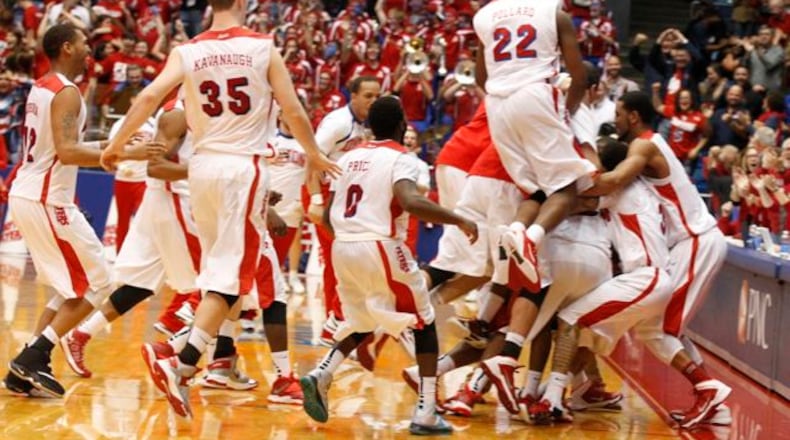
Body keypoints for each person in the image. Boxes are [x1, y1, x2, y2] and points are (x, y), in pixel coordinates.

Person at [101, 0, 339, 419]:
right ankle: (178, 360)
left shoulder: (188, 50)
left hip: (201, 170)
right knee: (231, 277)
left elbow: (150, 95)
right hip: (241, 167)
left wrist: (116, 147)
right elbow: (294, 110)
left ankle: (189, 357)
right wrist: (315, 155)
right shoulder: (263, 47)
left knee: (218, 274)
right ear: (244, 3)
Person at [299, 96, 478, 435]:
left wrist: (349, 240)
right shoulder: (403, 158)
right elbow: (411, 201)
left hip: (342, 245)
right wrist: (458, 219)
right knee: (424, 321)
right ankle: (426, 411)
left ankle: (322, 372)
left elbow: (329, 212)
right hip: (379, 243)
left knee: (362, 318)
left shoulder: (349, 156)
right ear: (402, 126)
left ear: (370, 127)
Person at [3, 23, 162, 397]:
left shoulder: (43, 86)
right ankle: (35, 356)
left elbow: (64, 144)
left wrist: (111, 146)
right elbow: (68, 150)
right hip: (46, 197)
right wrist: (124, 151)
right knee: (99, 281)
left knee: (68, 287)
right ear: (67, 47)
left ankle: (25, 365)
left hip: (33, 193)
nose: (90, 51)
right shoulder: (68, 92)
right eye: (84, 44)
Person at [584, 91, 731, 428]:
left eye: (620, 114)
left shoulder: (644, 146)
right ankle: (710, 396)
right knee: (663, 328)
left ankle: (707, 391)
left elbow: (615, 180)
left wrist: (569, 187)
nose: (616, 119)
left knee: (657, 328)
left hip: (695, 239)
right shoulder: (648, 144)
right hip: (687, 242)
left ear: (633, 116)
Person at [473, 0, 597, 297]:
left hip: (498, 104)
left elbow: (481, 78)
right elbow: (579, 78)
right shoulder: (555, 13)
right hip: (535, 94)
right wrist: (564, 115)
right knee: (567, 188)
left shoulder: (485, 15)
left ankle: (516, 231)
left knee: (537, 190)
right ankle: (531, 240)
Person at [304, 75, 380, 346]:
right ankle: (336, 320)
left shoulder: (366, 124)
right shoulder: (338, 123)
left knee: (339, 258)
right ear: (354, 97)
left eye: (377, 96)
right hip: (322, 193)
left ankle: (335, 320)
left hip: (342, 195)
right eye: (368, 96)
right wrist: (315, 199)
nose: (373, 101)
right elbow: (310, 158)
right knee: (342, 256)